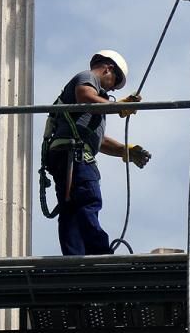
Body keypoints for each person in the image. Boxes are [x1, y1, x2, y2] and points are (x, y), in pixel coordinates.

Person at [42, 49, 151, 255]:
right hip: (75, 156)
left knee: (71, 210)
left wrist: (123, 150)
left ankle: (74, 258)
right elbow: (85, 96)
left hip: (67, 153)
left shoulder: (93, 104)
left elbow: (96, 140)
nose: (111, 88)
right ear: (109, 69)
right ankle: (99, 253)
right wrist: (116, 106)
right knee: (88, 200)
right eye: (114, 81)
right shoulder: (88, 77)